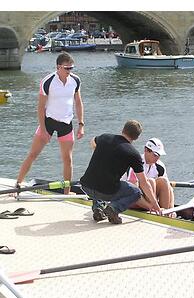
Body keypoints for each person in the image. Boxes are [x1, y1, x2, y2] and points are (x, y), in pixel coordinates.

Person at [16, 52, 84, 194]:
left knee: (68, 159)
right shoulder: (47, 81)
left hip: (66, 123)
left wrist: (81, 124)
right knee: (33, 154)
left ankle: (67, 192)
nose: (70, 71)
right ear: (58, 67)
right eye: (67, 68)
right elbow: (40, 107)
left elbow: (78, 102)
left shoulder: (75, 80)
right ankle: (18, 183)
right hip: (48, 122)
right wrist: (43, 129)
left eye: (72, 68)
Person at [80, 120, 161, 224]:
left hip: (86, 186)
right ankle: (113, 209)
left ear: (122, 130)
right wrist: (155, 204)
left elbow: (92, 142)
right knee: (136, 192)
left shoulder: (105, 137)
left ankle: (98, 209)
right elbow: (144, 183)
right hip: (106, 192)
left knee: (100, 178)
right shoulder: (133, 154)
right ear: (136, 138)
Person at [123, 138, 174, 210]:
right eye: (155, 154)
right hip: (131, 198)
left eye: (159, 155)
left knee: (164, 181)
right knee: (150, 181)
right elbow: (133, 192)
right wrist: (150, 206)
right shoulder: (135, 163)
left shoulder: (160, 166)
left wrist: (172, 209)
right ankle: (154, 211)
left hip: (150, 200)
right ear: (146, 150)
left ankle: (166, 212)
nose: (158, 158)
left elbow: (169, 188)